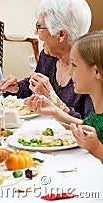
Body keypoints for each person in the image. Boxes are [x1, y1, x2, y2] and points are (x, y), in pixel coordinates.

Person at [0, 0, 93, 119]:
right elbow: (36, 84)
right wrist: (17, 88)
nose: (35, 32)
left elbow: (90, 128)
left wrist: (54, 100)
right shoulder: (49, 56)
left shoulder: (92, 68)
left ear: (61, 34)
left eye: (39, 26)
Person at [25, 31, 103, 163]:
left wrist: (96, 148)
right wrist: (55, 112)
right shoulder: (97, 108)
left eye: (74, 65)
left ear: (96, 71)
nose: (70, 71)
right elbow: (87, 127)